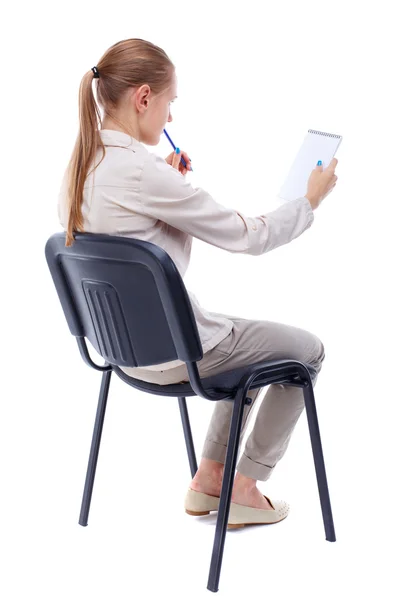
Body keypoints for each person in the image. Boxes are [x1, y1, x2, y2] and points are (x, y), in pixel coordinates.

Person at [57, 38, 338, 529]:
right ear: (144, 97)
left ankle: (209, 478)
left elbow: (137, 254)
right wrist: (308, 202)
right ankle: (244, 484)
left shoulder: (78, 166)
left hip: (118, 353)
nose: (170, 120)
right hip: (176, 355)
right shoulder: (141, 171)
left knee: (245, 344)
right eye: (169, 104)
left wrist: (168, 193)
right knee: (306, 351)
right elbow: (250, 237)